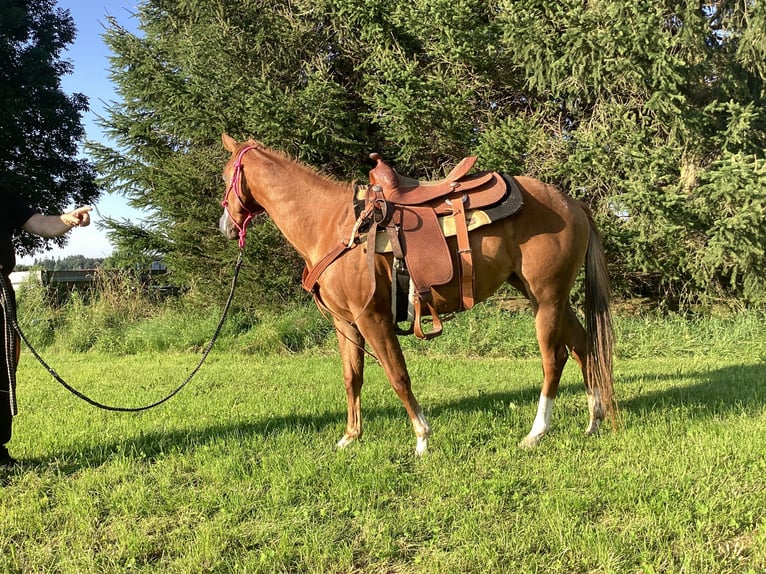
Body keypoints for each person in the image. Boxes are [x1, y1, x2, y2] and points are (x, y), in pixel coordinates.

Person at [1, 193, 92, 467]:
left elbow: (40, 224)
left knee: (2, 371)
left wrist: (69, 219)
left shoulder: (4, 197)